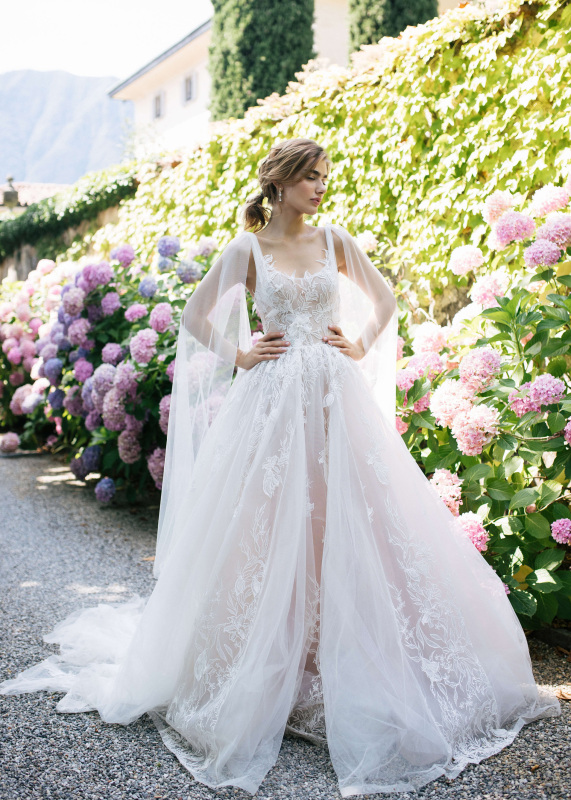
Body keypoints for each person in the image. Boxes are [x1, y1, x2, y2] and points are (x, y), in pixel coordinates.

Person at [0, 138, 561, 798]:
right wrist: (238, 354)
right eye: (310, 178)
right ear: (281, 183)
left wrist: (354, 343)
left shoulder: (336, 242)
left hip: (333, 400)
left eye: (324, 177)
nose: (321, 187)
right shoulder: (246, 250)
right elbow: (192, 314)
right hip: (269, 406)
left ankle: (340, 657)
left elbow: (383, 304)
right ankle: (276, 660)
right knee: (270, 524)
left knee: (348, 520)